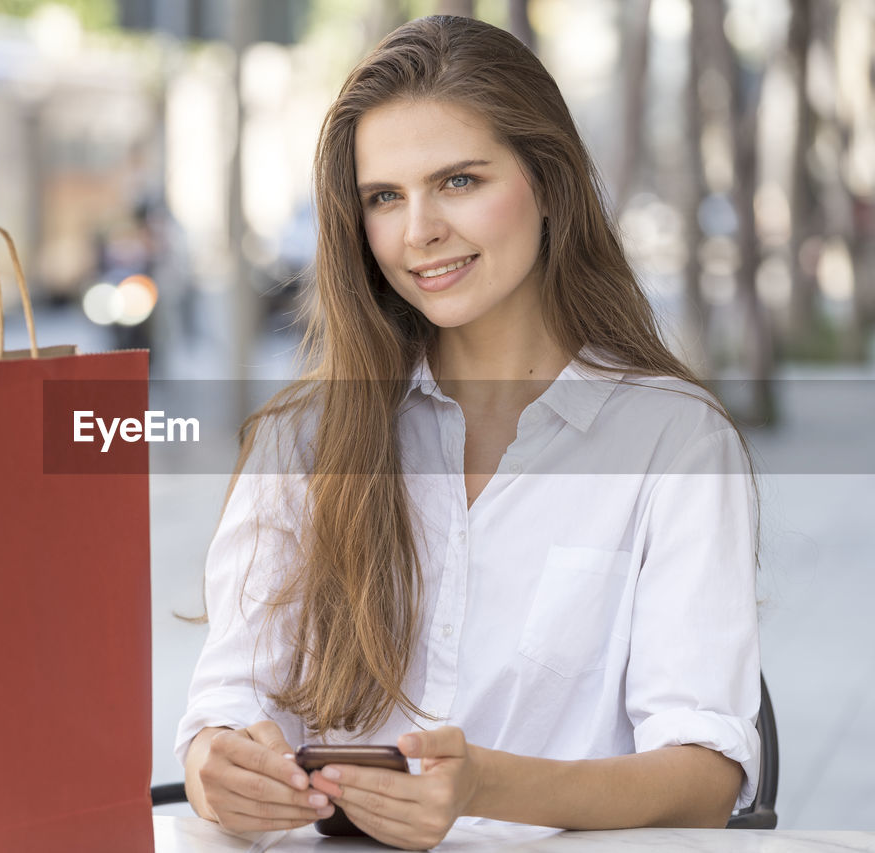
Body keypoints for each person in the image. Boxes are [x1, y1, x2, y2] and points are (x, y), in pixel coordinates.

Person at [175, 14, 762, 851]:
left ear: (549, 182)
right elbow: (223, 709)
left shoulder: (675, 443)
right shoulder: (300, 442)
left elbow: (706, 776)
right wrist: (216, 766)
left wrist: (484, 784)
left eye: (458, 181)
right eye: (385, 197)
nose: (419, 231)